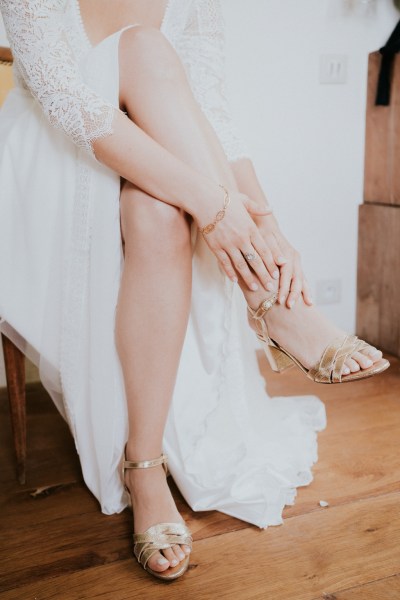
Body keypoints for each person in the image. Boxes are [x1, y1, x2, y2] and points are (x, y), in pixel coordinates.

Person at [0, 0, 389, 582]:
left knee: (157, 213)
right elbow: (69, 106)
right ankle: (273, 306)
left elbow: (209, 115)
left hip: (156, 162)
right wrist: (214, 207)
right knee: (144, 47)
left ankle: (144, 463)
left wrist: (269, 224)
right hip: (59, 157)